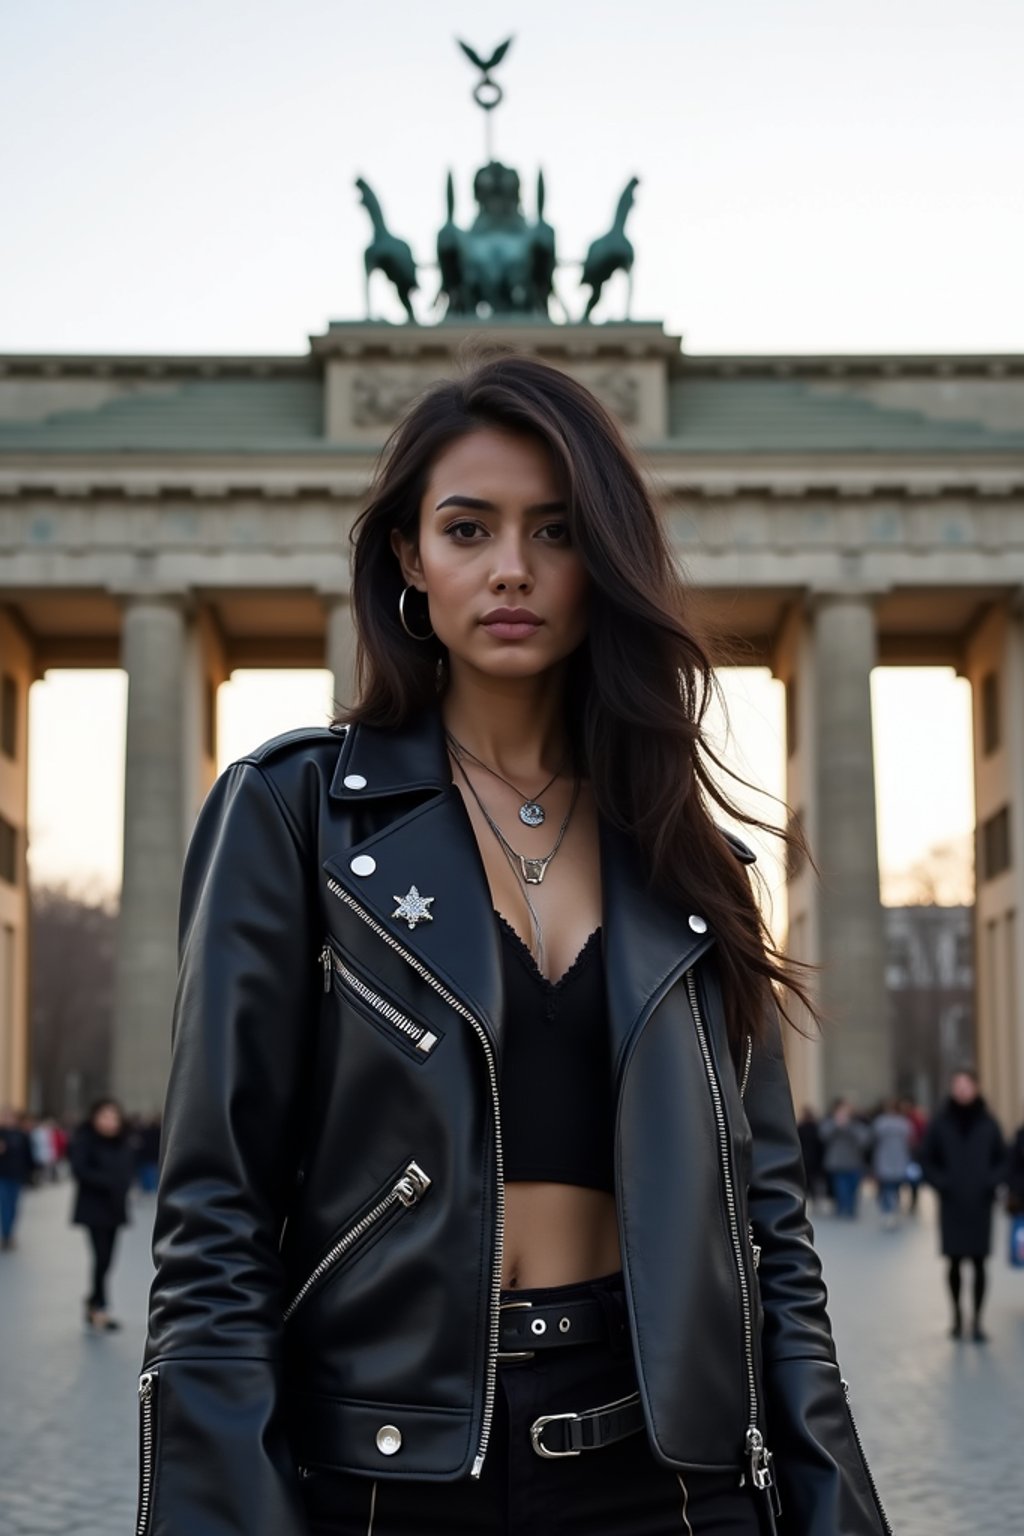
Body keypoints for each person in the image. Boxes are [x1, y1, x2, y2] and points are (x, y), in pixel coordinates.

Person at [140, 356, 891, 1535]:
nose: (510, 568)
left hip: (673, 1472)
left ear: (602, 561)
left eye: (555, 530)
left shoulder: (692, 868)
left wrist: (833, 1505)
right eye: (466, 527)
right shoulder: (292, 815)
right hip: (395, 1464)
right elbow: (215, 1224)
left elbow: (769, 1239)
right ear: (408, 557)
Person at [919, 1067, 1006, 1342]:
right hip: (952, 1203)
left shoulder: (989, 1123)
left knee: (980, 1264)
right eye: (957, 1085)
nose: (962, 1090)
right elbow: (925, 1158)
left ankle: (978, 1321)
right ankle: (957, 1318)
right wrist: (941, 1183)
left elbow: (1003, 1159)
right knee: (954, 1263)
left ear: (976, 1088)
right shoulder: (941, 1122)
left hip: (980, 1204)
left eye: (966, 1085)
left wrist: (990, 1181)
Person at [69, 1097, 135, 1331]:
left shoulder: (123, 1141)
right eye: (105, 1116)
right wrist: (109, 1182)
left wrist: (124, 1184)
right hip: (93, 1207)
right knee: (101, 1258)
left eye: (114, 1117)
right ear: (95, 1118)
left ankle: (93, 1301)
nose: (110, 1121)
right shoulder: (85, 1140)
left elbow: (128, 1168)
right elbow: (79, 1170)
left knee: (109, 1260)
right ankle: (100, 1308)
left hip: (115, 1208)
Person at [819, 1099, 871, 1218]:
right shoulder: (830, 1123)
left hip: (854, 1162)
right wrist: (836, 1125)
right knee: (840, 1188)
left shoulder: (857, 1125)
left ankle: (851, 1209)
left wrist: (848, 1127)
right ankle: (842, 1209)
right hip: (837, 1163)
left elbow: (864, 1140)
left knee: (854, 1188)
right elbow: (823, 1136)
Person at [871, 1099, 914, 1229]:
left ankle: (887, 1212)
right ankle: (893, 1210)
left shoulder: (881, 1123)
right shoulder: (904, 1124)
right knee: (895, 1188)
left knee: (886, 1187)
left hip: (885, 1160)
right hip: (899, 1160)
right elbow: (910, 1140)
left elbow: (874, 1138)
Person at [0, 1105, 35, 1250]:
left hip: (17, 1174)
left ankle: (10, 1232)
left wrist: (30, 1173)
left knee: (14, 1206)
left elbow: (28, 1155)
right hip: (2, 1175)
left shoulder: (21, 1135)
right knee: (4, 1205)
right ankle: (6, 1234)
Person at [797, 1104, 825, 1205]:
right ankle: (815, 1198)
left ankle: (806, 1197)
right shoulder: (816, 1128)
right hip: (815, 1157)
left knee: (806, 1180)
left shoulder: (800, 1128)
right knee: (815, 1180)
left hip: (804, 1157)